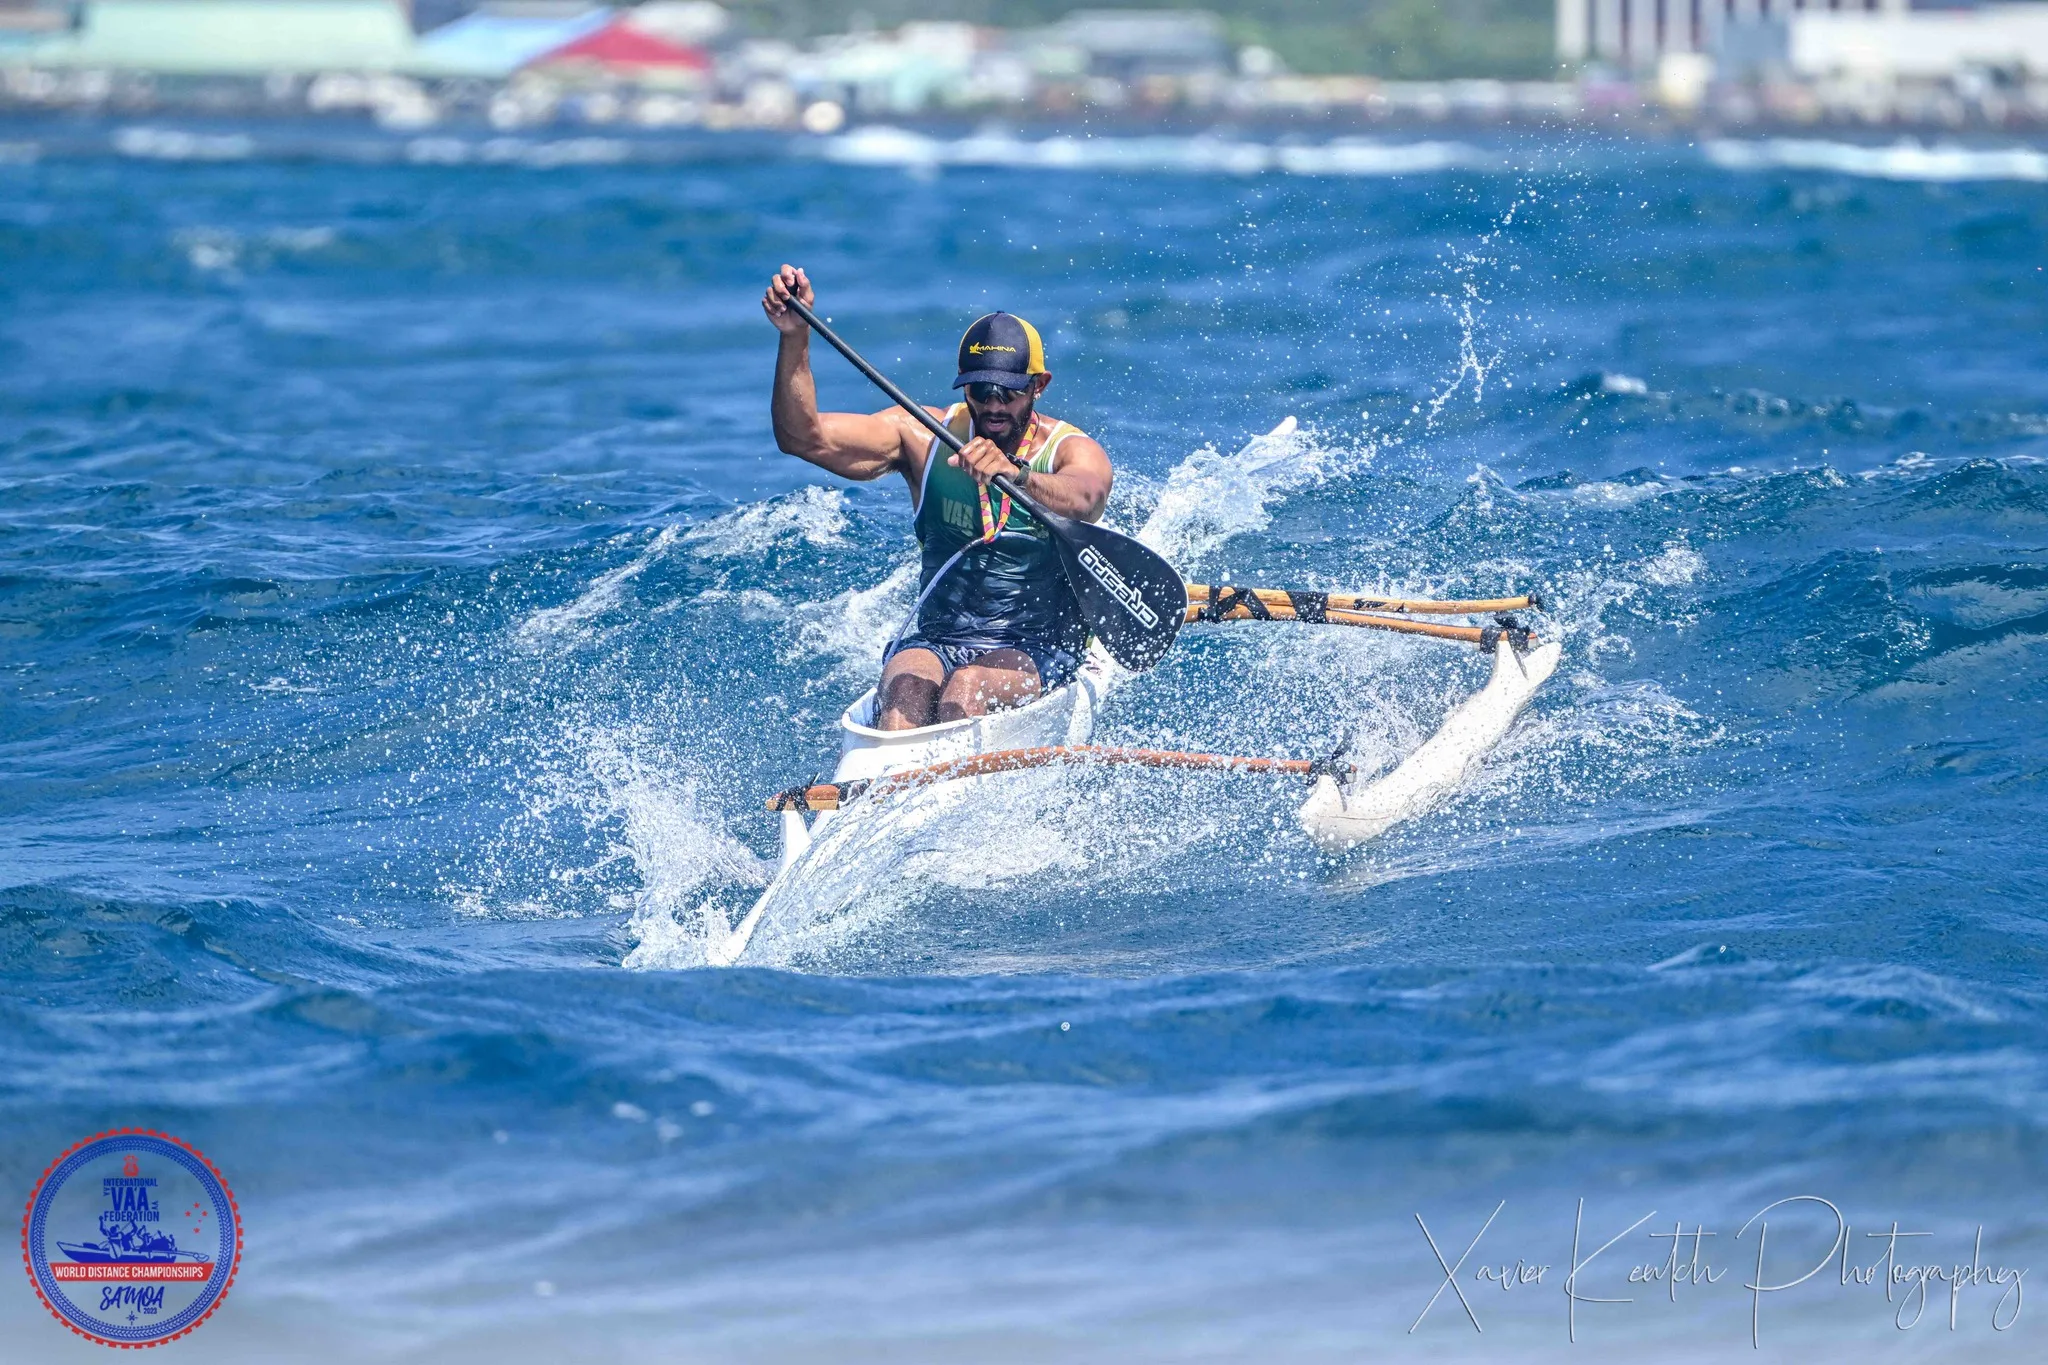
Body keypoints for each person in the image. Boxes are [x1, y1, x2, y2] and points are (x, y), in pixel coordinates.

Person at [763, 265, 1113, 731]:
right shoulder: (923, 436)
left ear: (1038, 385)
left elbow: (1086, 497)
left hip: (1035, 643)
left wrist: (1016, 473)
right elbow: (803, 438)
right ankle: (887, 794)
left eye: (1007, 392)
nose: (992, 405)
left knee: (966, 689)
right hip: (938, 636)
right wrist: (795, 336)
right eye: (979, 389)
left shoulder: (1069, 449)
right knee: (906, 689)